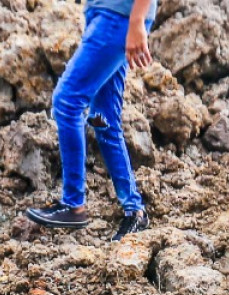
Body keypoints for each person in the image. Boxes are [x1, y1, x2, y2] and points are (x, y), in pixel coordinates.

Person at [23, 0, 155, 239]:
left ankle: (73, 205)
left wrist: (136, 21)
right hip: (108, 14)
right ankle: (134, 211)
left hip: (118, 16)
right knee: (103, 119)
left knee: (67, 102)